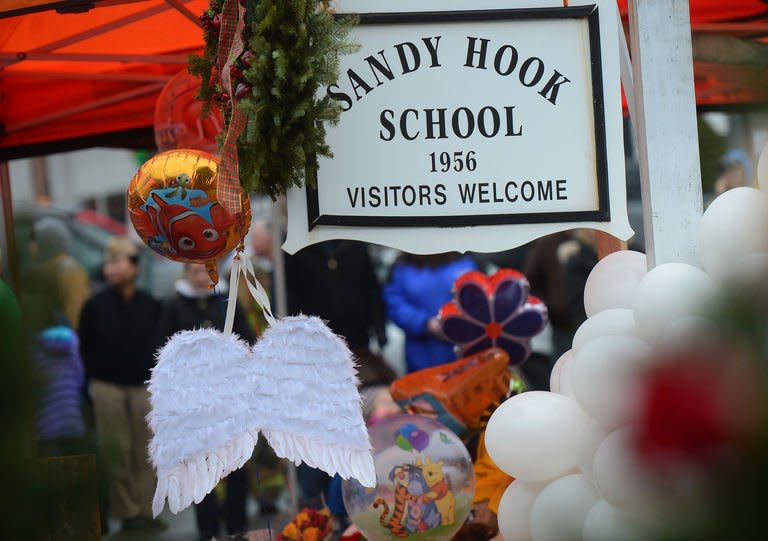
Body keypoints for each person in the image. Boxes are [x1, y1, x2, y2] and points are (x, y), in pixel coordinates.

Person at [157, 262, 255, 540]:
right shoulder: (174, 307)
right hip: (193, 401)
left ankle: (238, 525)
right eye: (195, 272)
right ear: (186, 274)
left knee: (236, 463)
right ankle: (207, 526)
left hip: (229, 398)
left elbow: (247, 340)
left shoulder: (227, 303)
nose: (201, 277)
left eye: (205, 271)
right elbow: (162, 351)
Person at [78, 237, 163, 532]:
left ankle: (146, 508)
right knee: (117, 450)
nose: (111, 268)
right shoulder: (94, 305)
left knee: (147, 449)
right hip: (107, 387)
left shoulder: (150, 304)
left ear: (135, 267)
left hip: (143, 385)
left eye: (118, 261)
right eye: (108, 262)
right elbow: (84, 346)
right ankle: (127, 513)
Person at [383, 253, 478, 373]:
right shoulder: (402, 267)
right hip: (422, 358)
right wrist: (425, 323)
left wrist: (464, 321)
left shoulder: (465, 261)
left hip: (466, 356)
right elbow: (395, 305)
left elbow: (481, 299)